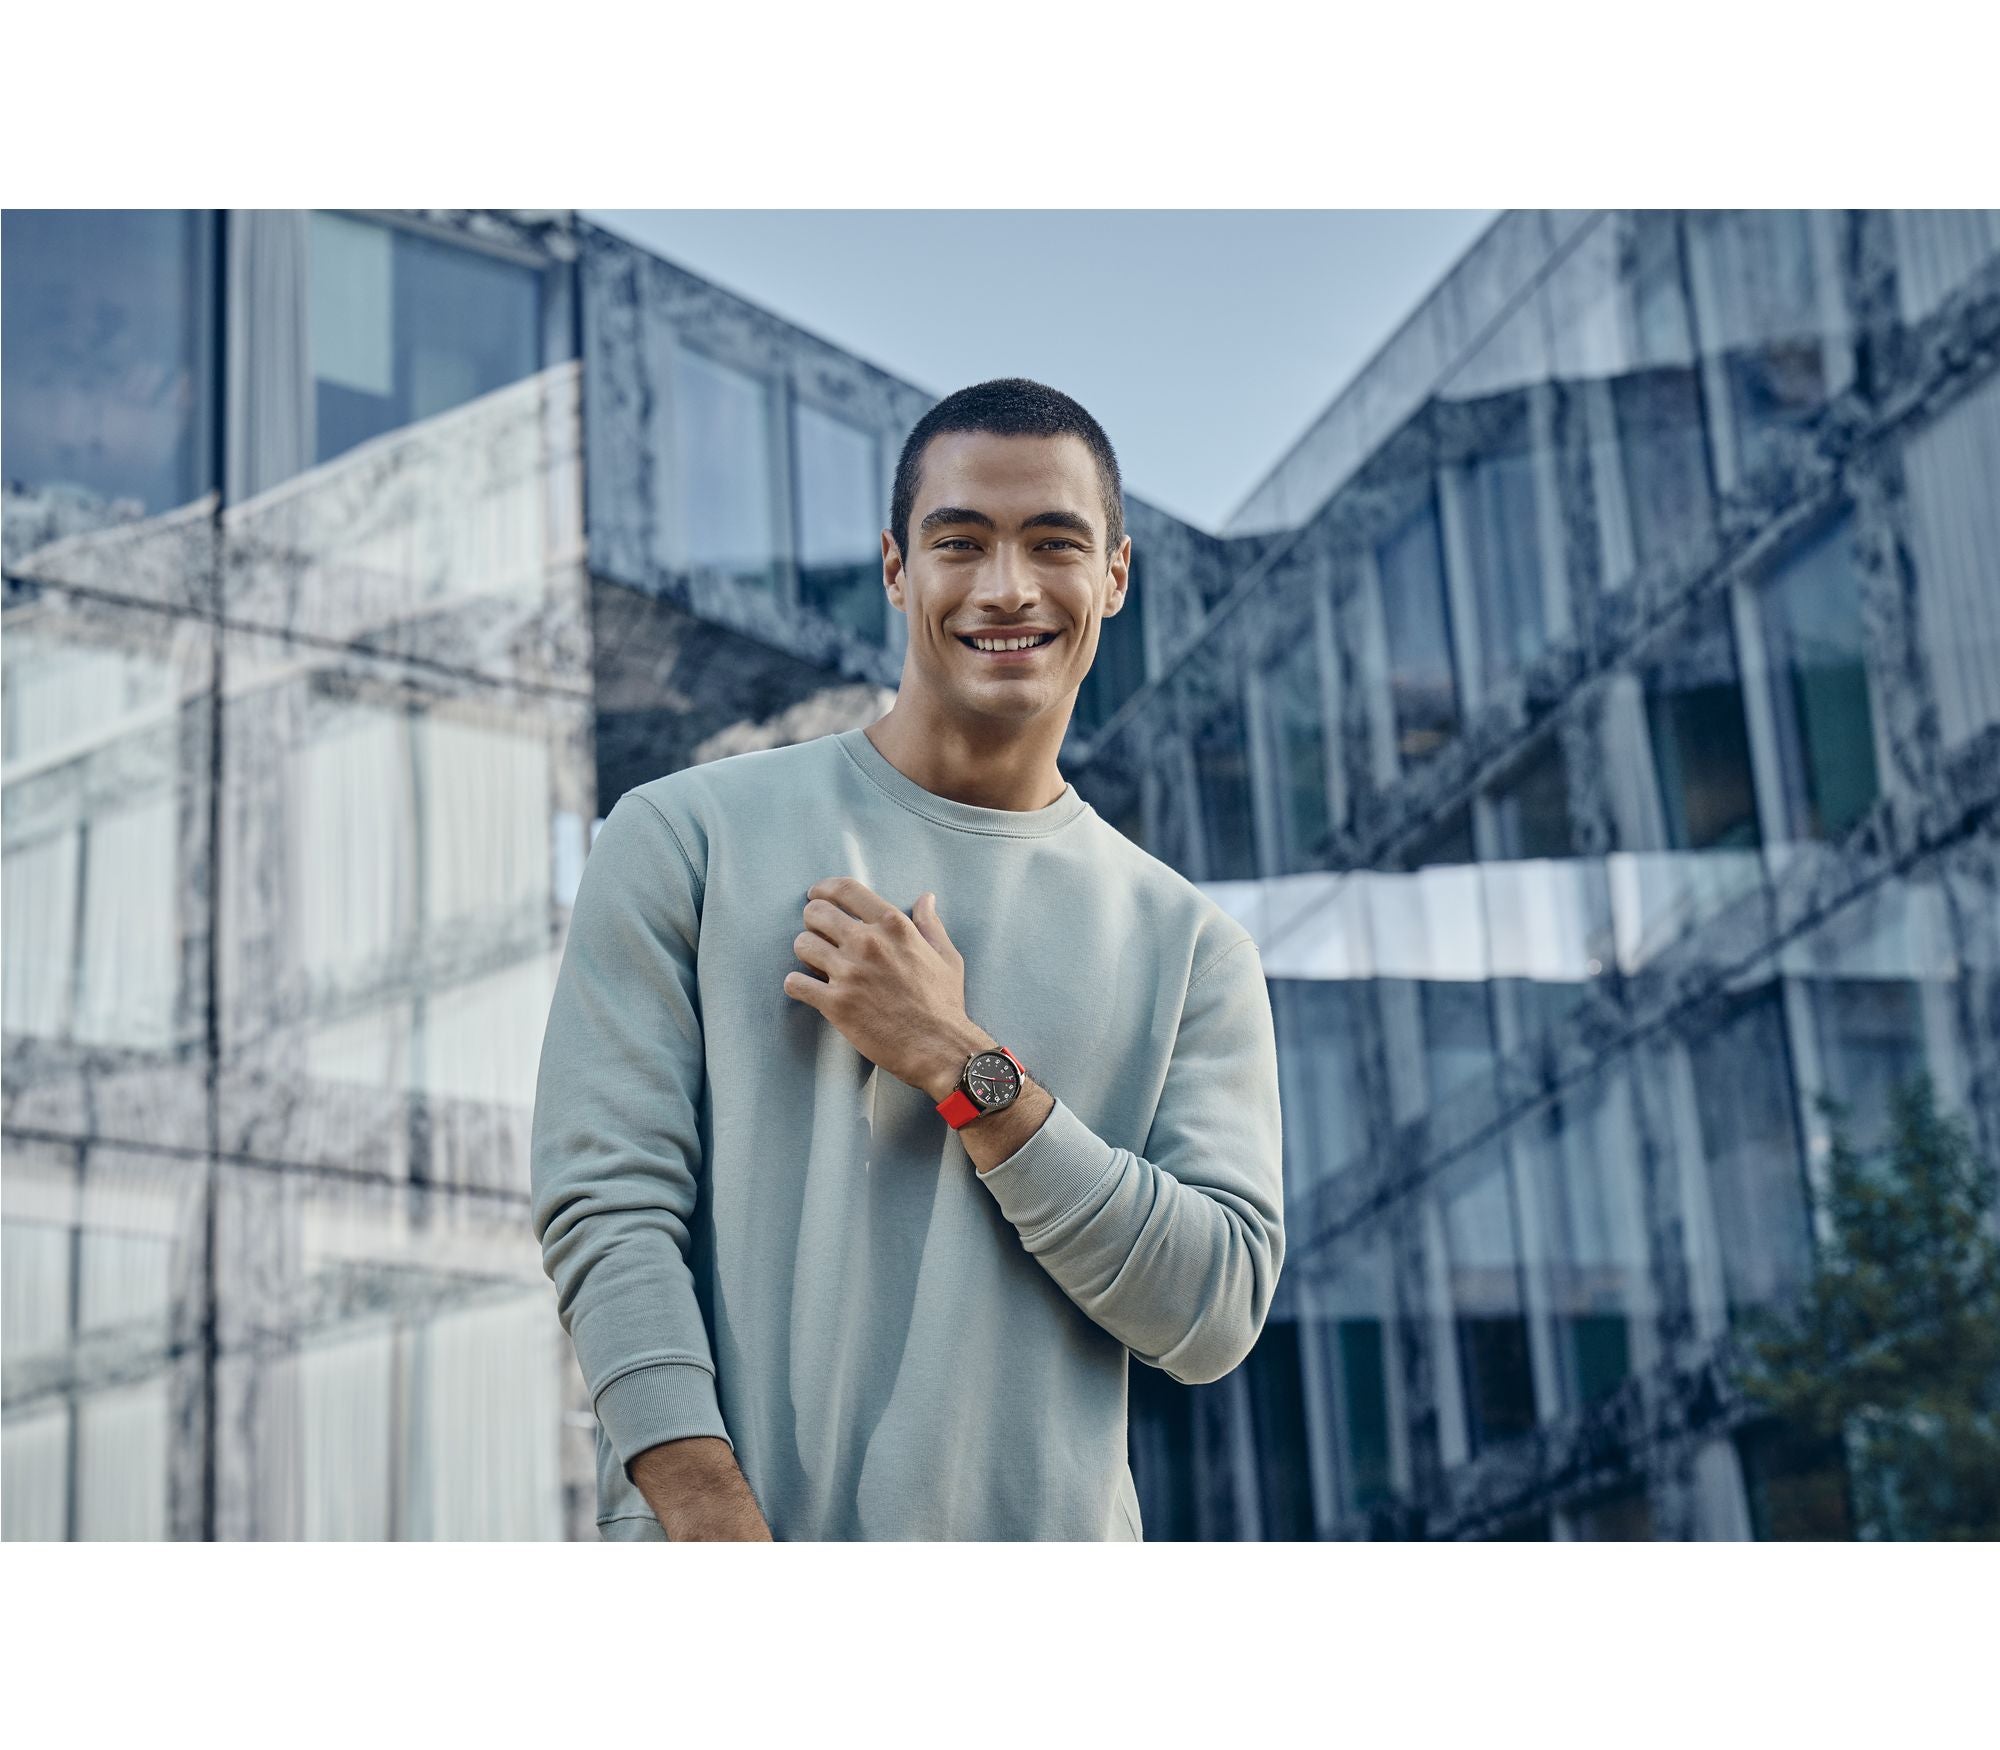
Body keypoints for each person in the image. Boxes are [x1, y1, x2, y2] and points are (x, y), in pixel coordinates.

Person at [529, 376, 1284, 1540]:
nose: (1005, 586)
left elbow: (1212, 1307)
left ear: (1115, 577)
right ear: (895, 569)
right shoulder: (683, 836)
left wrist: (964, 1065)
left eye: (1053, 543)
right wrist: (702, 1515)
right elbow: (607, 1204)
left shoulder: (1190, 948)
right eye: (959, 541)